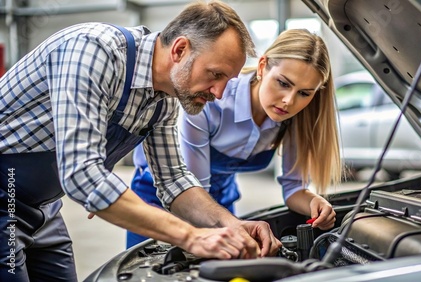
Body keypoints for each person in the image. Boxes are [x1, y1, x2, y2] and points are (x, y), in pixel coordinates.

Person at [0, 1, 282, 281]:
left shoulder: (165, 99)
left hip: (43, 207)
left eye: (227, 81)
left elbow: (173, 180)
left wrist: (231, 225)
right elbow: (81, 174)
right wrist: (192, 237)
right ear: (180, 49)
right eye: (215, 74)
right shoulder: (93, 51)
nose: (218, 93)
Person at [128, 28, 343, 248]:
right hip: (160, 196)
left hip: (219, 200)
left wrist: (315, 202)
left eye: (304, 93)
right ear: (262, 67)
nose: (289, 101)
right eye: (283, 83)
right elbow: (194, 191)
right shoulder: (211, 99)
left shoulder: (297, 119)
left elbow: (294, 189)